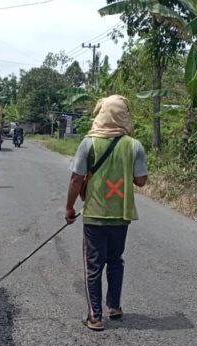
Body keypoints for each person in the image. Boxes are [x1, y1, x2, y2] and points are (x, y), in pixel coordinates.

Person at [64, 95, 148, 331]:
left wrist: (69, 208)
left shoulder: (88, 143)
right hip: (121, 216)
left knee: (93, 265)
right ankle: (114, 306)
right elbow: (141, 181)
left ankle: (95, 317)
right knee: (115, 260)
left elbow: (76, 178)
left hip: (94, 214)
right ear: (123, 115)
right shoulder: (134, 145)